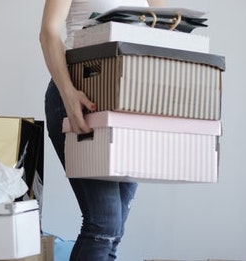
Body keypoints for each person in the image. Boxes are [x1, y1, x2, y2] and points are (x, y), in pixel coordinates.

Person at [39, 0, 165, 260]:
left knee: (114, 231)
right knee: (103, 224)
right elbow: (49, 33)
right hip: (79, 96)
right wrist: (68, 95)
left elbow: (160, 29)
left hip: (125, 104)